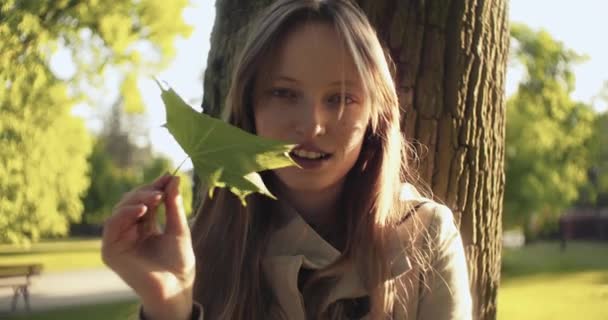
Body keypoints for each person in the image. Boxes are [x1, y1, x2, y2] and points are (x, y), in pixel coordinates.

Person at [101, 0, 473, 319]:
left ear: (376, 115)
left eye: (341, 98)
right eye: (284, 93)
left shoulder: (426, 237)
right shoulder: (199, 247)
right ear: (249, 109)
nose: (312, 125)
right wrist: (168, 305)